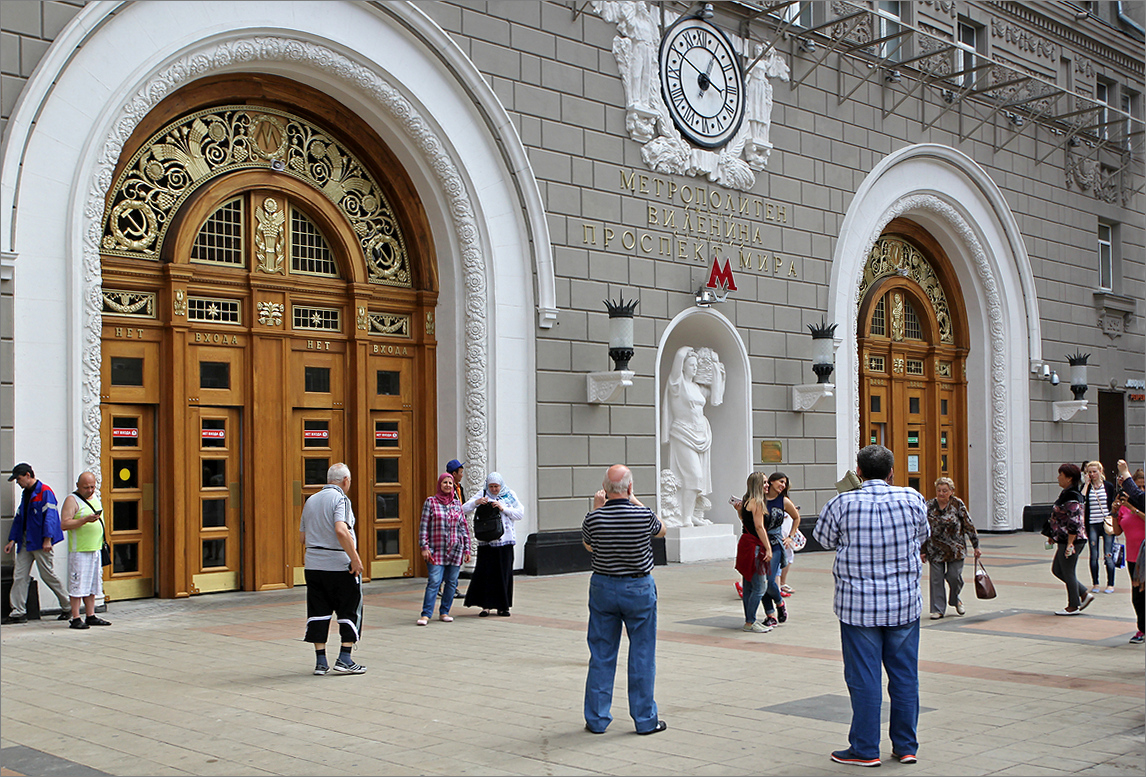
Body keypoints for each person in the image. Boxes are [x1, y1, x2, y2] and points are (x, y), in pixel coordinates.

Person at [813, 445, 929, 768]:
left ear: (859, 472)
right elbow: (923, 535)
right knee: (905, 676)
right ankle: (906, 746)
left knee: (864, 677)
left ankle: (865, 748)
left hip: (858, 606)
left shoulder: (842, 502)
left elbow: (823, 539)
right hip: (903, 603)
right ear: (891, 472)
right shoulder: (912, 498)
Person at [581, 464, 667, 735]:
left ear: (604, 490)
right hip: (638, 587)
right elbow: (662, 530)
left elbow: (589, 545)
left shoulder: (593, 518)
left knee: (601, 655)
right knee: (642, 653)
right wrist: (635, 499)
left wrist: (597, 509)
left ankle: (596, 718)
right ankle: (644, 720)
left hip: (604, 586)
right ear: (629, 488)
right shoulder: (642, 515)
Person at [299, 462, 365, 675]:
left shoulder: (311, 500)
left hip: (313, 565)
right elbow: (341, 530)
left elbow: (302, 536)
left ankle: (320, 662)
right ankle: (345, 657)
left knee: (318, 610)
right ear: (345, 481)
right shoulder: (341, 499)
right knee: (349, 608)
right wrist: (354, 558)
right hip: (338, 565)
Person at [661, 346, 724, 526]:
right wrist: (684, 351)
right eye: (691, 365)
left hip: (702, 435)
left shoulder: (697, 387)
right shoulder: (677, 383)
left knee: (700, 479)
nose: (694, 368)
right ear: (683, 366)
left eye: (696, 365)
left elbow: (716, 398)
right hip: (682, 432)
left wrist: (715, 368)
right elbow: (678, 361)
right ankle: (685, 517)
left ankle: (693, 514)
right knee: (694, 475)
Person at [3, 463, 70, 624]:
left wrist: (47, 539)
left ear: (27, 475)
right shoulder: (26, 494)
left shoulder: (45, 492)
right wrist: (12, 540)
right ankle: (18, 612)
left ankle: (68, 606)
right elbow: (20, 518)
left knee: (48, 575)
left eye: (19, 479)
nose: (18, 483)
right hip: (27, 540)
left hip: (40, 542)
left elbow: (51, 517)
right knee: (19, 575)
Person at [463, 472, 523, 617]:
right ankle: (486, 606)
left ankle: (503, 606)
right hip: (487, 542)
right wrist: (477, 502)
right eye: (491, 486)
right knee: (487, 574)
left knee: (504, 573)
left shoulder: (509, 495)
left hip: (505, 541)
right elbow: (463, 509)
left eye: (496, 486)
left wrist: (503, 508)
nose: (494, 489)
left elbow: (520, 513)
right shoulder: (482, 493)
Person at [921, 477, 980, 619]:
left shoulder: (957, 504)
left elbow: (968, 525)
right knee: (936, 579)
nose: (941, 493)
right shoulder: (929, 505)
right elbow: (923, 528)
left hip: (955, 549)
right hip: (935, 549)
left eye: (945, 491)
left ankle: (955, 599)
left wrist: (976, 545)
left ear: (951, 491)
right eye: (939, 490)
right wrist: (922, 550)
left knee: (954, 576)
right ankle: (937, 609)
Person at [58, 471, 111, 629]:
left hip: (95, 548)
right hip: (79, 550)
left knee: (93, 585)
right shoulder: (72, 500)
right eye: (86, 487)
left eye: (92, 487)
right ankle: (75, 617)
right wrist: (84, 520)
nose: (90, 490)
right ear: (78, 486)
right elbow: (64, 524)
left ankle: (90, 614)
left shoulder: (95, 498)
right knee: (77, 585)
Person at [418, 472, 471, 626]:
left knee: (452, 582)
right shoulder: (431, 502)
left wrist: (467, 549)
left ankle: (444, 612)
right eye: (445, 483)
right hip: (436, 550)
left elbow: (463, 528)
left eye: (450, 483)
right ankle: (426, 614)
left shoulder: (456, 504)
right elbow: (424, 526)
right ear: (439, 484)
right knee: (434, 581)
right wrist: (424, 546)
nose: (447, 485)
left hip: (455, 551)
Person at [1044, 463, 1093, 616]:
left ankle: (1073, 605)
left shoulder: (1072, 496)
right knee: (1058, 570)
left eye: (1061, 475)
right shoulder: (1067, 493)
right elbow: (1059, 518)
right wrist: (1053, 535)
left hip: (1072, 540)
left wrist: (1070, 543)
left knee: (1068, 571)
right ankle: (1084, 594)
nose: (1058, 478)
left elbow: (1074, 521)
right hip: (1064, 539)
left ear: (1069, 478)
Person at [733, 472, 774, 634]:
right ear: (757, 484)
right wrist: (768, 548)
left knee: (749, 584)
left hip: (746, 543)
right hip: (754, 546)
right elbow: (759, 527)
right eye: (764, 482)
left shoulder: (746, 501)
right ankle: (750, 622)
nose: (767, 485)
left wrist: (738, 512)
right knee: (759, 587)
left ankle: (749, 620)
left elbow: (745, 521)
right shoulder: (757, 502)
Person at [1110, 469, 1145, 644]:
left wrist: (1134, 508)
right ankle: (1142, 628)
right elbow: (1116, 531)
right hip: (1133, 557)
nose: (1141, 490)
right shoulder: (1124, 506)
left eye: (1143, 487)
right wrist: (1115, 513)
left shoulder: (1141, 504)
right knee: (1137, 596)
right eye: (1138, 487)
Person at [1081, 461, 1116, 594]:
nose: (1092, 474)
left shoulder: (1108, 486)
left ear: (1101, 471)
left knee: (1108, 554)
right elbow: (1081, 499)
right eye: (1089, 472)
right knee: (1093, 554)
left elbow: (1112, 503)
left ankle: (1110, 584)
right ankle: (1095, 583)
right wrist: (1086, 484)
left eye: (1094, 471)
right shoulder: (1087, 487)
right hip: (1092, 524)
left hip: (1106, 523)